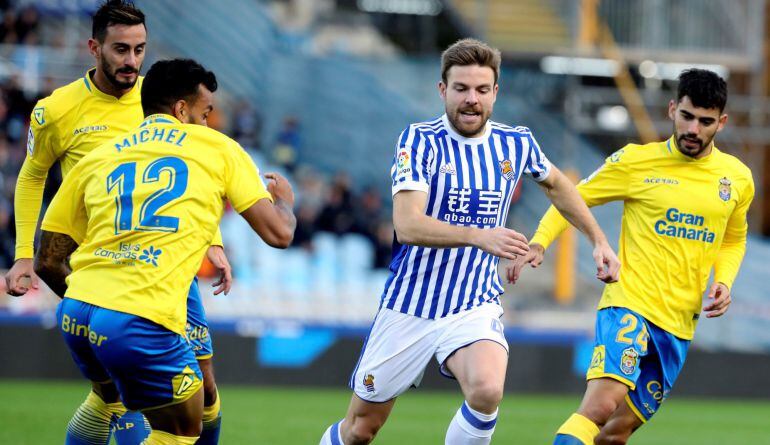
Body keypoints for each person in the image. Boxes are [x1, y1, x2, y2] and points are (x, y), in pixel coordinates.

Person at [319, 38, 620, 445]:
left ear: (496, 92)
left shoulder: (515, 143)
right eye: (461, 89)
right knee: (360, 430)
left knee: (487, 390)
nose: (471, 100)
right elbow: (407, 225)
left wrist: (598, 240)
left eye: (481, 90)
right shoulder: (419, 141)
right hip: (411, 304)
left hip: (473, 302)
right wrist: (480, 237)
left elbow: (559, 185)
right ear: (442, 90)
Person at [34, 58, 296, 445]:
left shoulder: (101, 156)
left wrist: (96, 304)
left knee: (112, 401)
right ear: (181, 110)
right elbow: (279, 234)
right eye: (205, 113)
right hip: (139, 315)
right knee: (180, 430)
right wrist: (286, 202)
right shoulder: (218, 148)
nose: (209, 123)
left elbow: (48, 260)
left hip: (77, 312)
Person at [5, 2, 229, 443]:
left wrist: (213, 241)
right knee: (130, 398)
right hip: (104, 269)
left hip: (169, 267)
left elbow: (192, 176)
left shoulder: (161, 102)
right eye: (121, 49)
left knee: (202, 390)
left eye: (140, 49)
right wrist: (24, 256)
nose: (131, 61)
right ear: (94, 48)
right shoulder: (57, 110)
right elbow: (32, 176)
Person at [510, 69, 754, 445]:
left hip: (678, 326)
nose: (693, 128)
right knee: (600, 407)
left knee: (615, 434)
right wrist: (540, 240)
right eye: (686, 116)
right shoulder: (637, 162)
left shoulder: (736, 179)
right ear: (672, 109)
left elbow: (733, 239)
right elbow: (571, 198)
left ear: (720, 123)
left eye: (705, 121)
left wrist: (724, 280)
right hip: (630, 305)